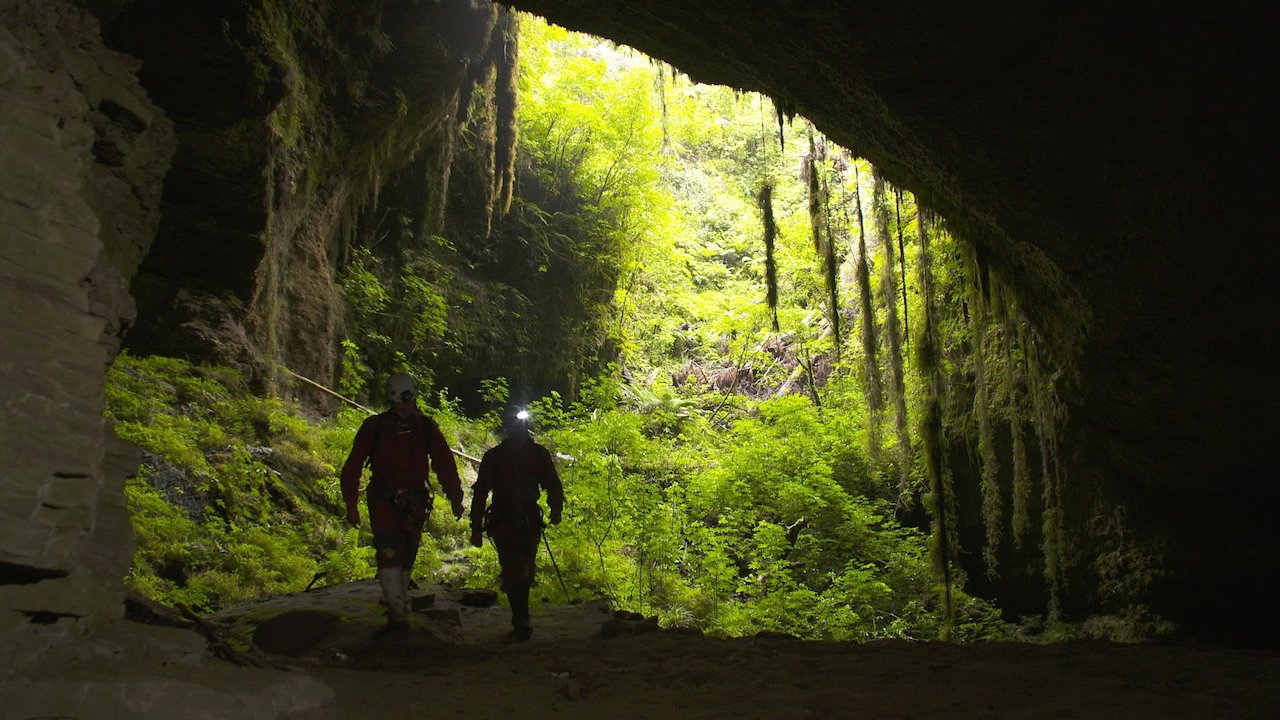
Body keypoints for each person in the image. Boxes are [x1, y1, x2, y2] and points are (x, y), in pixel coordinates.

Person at [340, 372, 465, 633]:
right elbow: (353, 465)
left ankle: (397, 604)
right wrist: (351, 503)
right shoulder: (375, 427)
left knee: (407, 554)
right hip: (383, 499)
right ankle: (398, 618)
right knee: (388, 551)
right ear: (392, 401)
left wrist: (455, 496)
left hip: (415, 502)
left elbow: (444, 462)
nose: (405, 408)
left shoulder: (426, 428)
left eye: (408, 403)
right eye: (400, 404)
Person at [469, 403, 564, 641]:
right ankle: (520, 618)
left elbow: (553, 484)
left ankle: (521, 612)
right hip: (503, 519)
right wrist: (476, 528)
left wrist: (556, 510)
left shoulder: (538, 455)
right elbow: (481, 492)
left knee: (526, 568)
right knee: (512, 567)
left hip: (529, 519)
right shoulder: (494, 457)